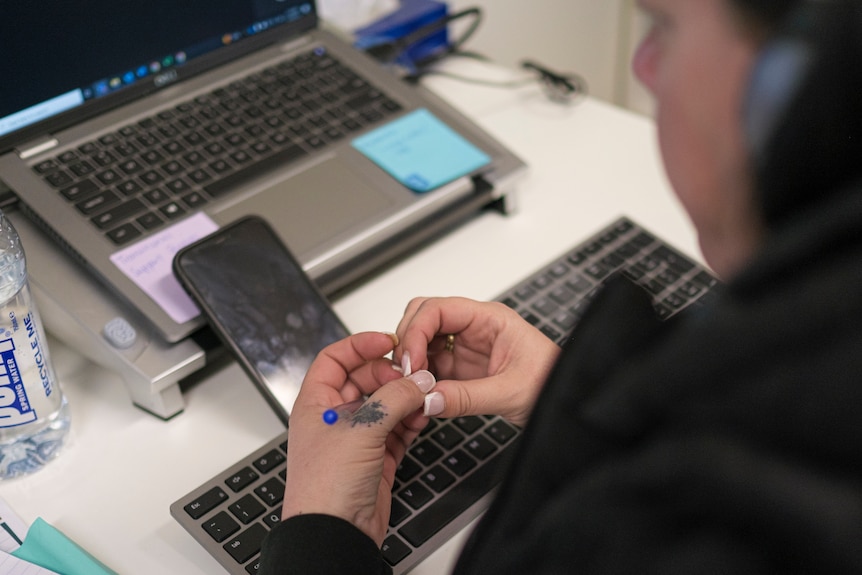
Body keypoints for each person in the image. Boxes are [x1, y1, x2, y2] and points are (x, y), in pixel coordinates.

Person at [261, 0, 862, 572]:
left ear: (800, 83)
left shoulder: (699, 517)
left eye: (662, 25)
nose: (640, 66)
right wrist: (567, 393)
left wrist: (319, 531)